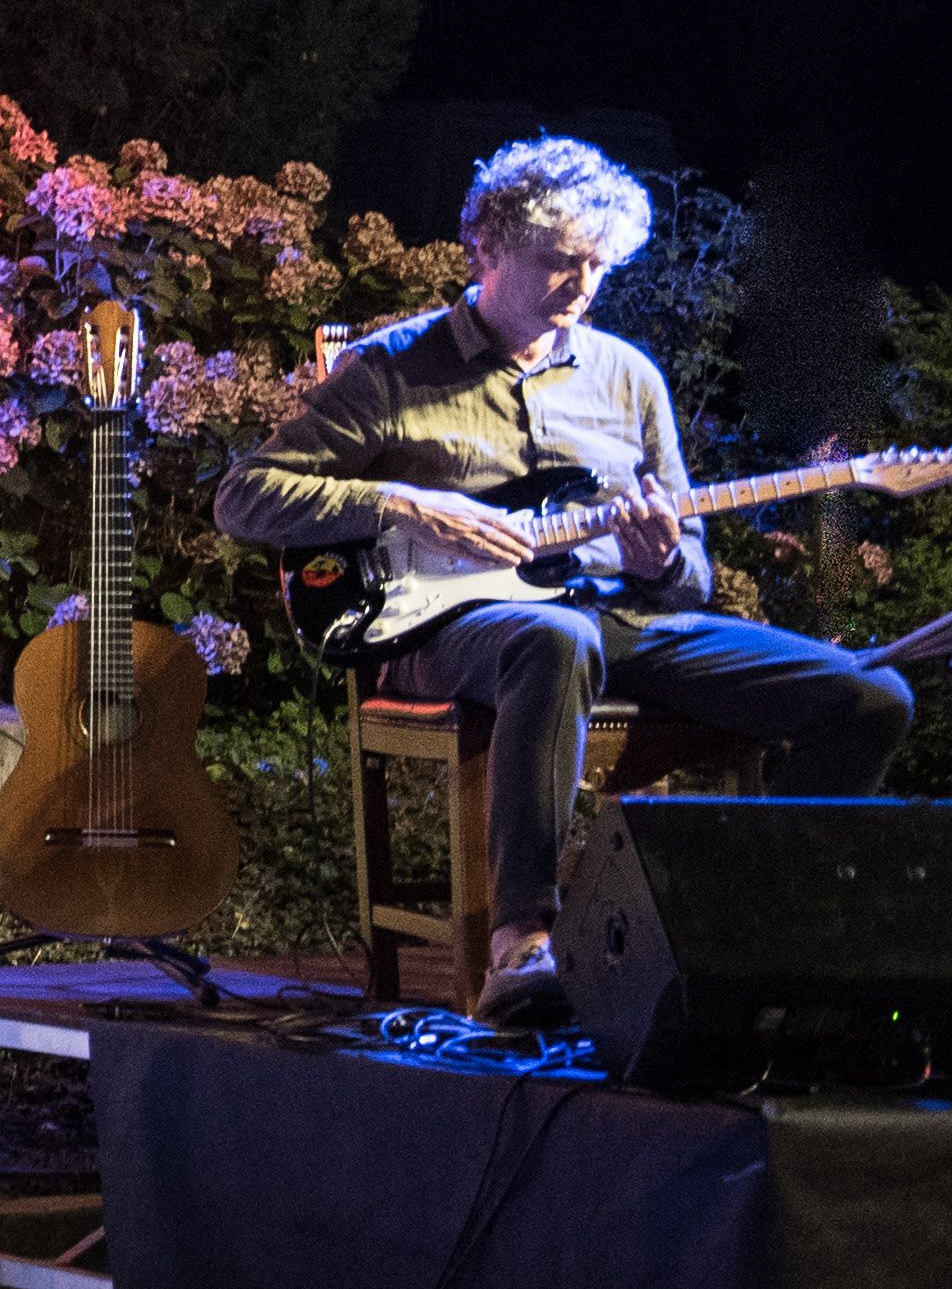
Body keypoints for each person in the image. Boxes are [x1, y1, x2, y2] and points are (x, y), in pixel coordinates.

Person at [216, 137, 911, 1024]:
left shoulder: (630, 378)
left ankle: (762, 933)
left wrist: (664, 557)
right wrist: (403, 504)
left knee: (870, 697)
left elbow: (687, 574)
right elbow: (244, 498)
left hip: (613, 615)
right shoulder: (393, 368)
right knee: (552, 637)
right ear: (486, 249)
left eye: (597, 264)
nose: (581, 285)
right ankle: (524, 943)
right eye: (557, 263)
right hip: (447, 625)